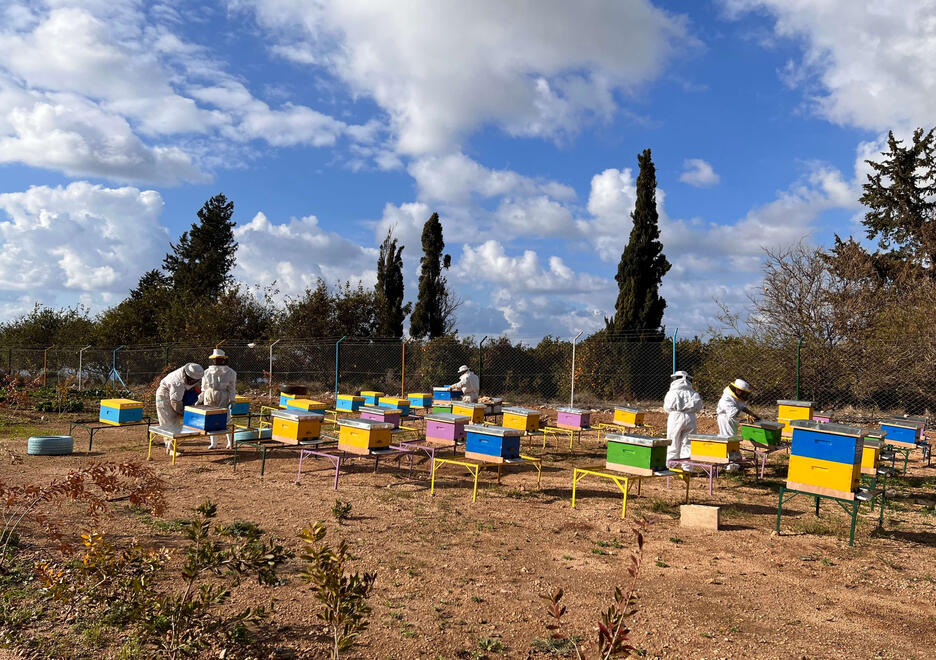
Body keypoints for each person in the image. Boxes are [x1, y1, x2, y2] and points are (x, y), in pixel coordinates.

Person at [155, 363, 204, 451]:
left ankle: (172, 447)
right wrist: (184, 414)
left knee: (175, 423)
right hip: (164, 397)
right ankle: (171, 449)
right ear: (188, 376)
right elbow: (175, 402)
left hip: (176, 396)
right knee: (169, 424)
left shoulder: (189, 374)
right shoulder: (177, 382)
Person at [198, 349, 237, 449]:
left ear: (223, 359)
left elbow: (232, 388)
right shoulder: (206, 372)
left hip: (223, 397)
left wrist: (232, 400)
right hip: (209, 396)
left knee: (224, 419)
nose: (216, 361)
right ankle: (214, 443)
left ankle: (230, 442)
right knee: (211, 420)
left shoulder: (231, 373)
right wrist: (200, 399)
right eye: (215, 359)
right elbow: (204, 388)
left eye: (219, 359)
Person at [663, 371, 703, 470]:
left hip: (675, 417)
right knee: (688, 443)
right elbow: (699, 407)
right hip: (690, 417)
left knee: (673, 441)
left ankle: (671, 465)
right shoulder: (694, 393)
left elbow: (667, 407)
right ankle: (687, 467)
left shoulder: (672, 393)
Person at [717, 378, 754, 470]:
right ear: (737, 390)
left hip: (731, 420)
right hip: (725, 419)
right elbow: (733, 412)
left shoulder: (735, 397)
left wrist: (752, 414)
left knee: (732, 438)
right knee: (728, 439)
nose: (743, 394)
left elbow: (742, 407)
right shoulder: (726, 398)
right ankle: (729, 464)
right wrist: (744, 416)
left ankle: (732, 461)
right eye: (742, 392)